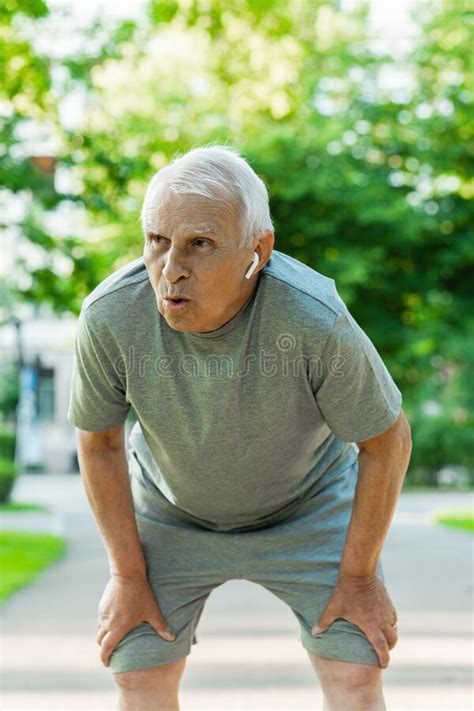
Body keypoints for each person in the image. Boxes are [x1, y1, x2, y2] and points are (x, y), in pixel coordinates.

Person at [68, 144, 412, 711]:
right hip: (169, 512)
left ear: (259, 249)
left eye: (200, 244)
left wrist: (359, 577)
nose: (172, 269)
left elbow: (386, 439)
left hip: (309, 506)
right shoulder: (111, 316)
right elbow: (99, 442)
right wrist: (128, 577)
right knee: (137, 670)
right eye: (157, 240)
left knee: (356, 670)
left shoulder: (313, 317)